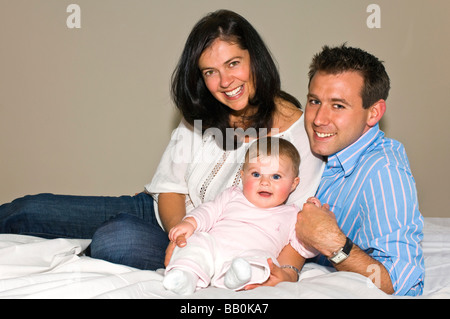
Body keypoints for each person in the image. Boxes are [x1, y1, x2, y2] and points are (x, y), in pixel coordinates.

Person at [0, 10, 324, 283]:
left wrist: (289, 270)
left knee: (116, 241)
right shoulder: (203, 111)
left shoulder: (301, 138)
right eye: (210, 71)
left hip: (223, 242)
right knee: (28, 210)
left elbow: (296, 222)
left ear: (256, 60)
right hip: (164, 216)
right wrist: (181, 235)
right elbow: (170, 187)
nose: (225, 82)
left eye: (233, 63)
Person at [295, 44, 424, 296]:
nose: (319, 119)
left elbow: (403, 285)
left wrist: (334, 245)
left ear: (373, 112)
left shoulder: (384, 172)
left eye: (338, 106)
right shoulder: (309, 148)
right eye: (314, 101)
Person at [163, 137, 318, 295]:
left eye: (276, 177)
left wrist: (314, 221)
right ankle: (185, 276)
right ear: (243, 176)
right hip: (215, 247)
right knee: (196, 241)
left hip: (248, 259)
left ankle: (235, 278)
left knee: (264, 261)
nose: (265, 182)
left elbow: (304, 247)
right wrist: (190, 223)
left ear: (293, 183)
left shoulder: (292, 215)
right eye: (256, 174)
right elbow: (209, 211)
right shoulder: (232, 195)